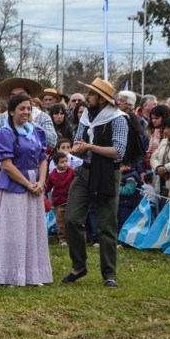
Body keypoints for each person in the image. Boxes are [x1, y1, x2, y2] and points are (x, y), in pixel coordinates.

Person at [63, 78, 129, 288]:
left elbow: (119, 151)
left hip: (108, 173)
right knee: (72, 219)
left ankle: (109, 273)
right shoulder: (86, 117)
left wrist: (90, 147)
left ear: (101, 99)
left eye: (91, 94)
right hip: (85, 171)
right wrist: (76, 149)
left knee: (106, 225)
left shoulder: (119, 119)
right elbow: (79, 142)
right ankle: (79, 266)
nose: (87, 97)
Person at [0, 94, 52, 287]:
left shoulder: (35, 132)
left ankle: (31, 273)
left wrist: (41, 182)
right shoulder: (5, 133)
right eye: (22, 108)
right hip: (15, 185)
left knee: (32, 229)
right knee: (13, 230)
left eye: (28, 108)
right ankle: (10, 274)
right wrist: (28, 185)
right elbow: (7, 165)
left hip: (35, 184)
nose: (26, 112)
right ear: (11, 112)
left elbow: (43, 158)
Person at [0, 78, 57, 151]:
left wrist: (31, 123)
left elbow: (52, 142)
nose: (17, 98)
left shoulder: (42, 116)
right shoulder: (1, 118)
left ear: (29, 96)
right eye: (13, 95)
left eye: (21, 95)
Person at [45, 152, 75, 246]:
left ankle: (73, 237)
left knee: (71, 220)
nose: (65, 163)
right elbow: (48, 186)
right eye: (62, 162)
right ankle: (62, 239)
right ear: (55, 164)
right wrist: (43, 193)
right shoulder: (52, 174)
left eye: (66, 161)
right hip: (58, 201)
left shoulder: (72, 172)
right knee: (60, 221)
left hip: (70, 200)